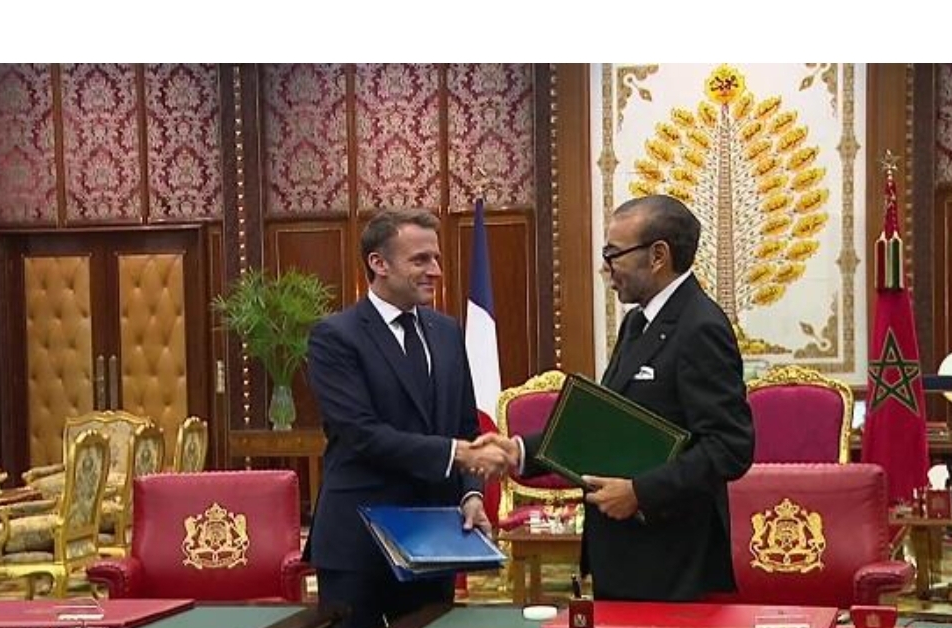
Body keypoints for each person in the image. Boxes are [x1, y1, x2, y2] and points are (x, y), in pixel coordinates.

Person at [479, 194, 755, 601]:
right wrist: (518, 451)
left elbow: (730, 447)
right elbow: (605, 426)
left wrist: (641, 492)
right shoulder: (638, 322)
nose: (605, 269)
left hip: (670, 560)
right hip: (625, 556)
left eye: (613, 255)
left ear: (658, 255)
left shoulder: (699, 327)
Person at [305, 208, 509, 628]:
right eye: (420, 260)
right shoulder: (336, 336)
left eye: (435, 259)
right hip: (358, 541)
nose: (434, 270)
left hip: (435, 538)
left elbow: (465, 427)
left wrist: (471, 494)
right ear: (378, 264)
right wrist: (458, 455)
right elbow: (362, 434)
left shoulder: (447, 331)